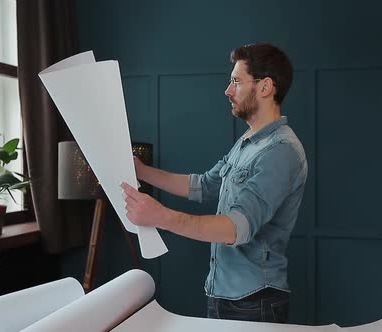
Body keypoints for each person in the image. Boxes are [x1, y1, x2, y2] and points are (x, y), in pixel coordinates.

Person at [121, 43, 308, 323]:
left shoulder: (281, 151)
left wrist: (162, 217)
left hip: (253, 303)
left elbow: (236, 227)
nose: (228, 90)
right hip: (223, 294)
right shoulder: (247, 143)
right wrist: (143, 171)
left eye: (236, 81)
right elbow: (203, 185)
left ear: (265, 87)